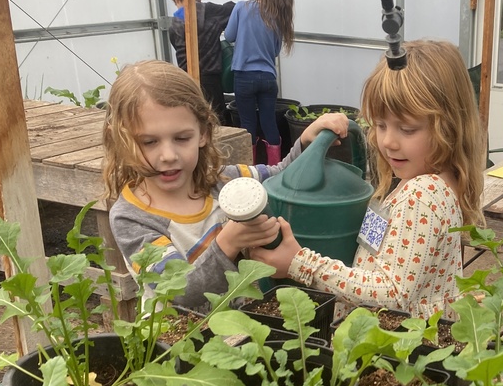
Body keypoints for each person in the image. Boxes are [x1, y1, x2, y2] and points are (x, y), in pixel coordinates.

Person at [251, 39, 486, 318]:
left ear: (450, 126)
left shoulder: (422, 194)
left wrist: (300, 263)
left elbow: (392, 295)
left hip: (400, 347)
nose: (388, 141)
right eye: (381, 124)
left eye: (407, 129)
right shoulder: (434, 181)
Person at [102, 60, 348, 311]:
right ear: (119, 140)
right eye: (149, 142)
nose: (168, 155)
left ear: (203, 133)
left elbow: (279, 177)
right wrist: (228, 244)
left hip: (239, 333)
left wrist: (306, 143)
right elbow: (178, 293)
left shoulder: (223, 182)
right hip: (178, 342)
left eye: (181, 138)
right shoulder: (132, 218)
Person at [224, 0, 295, 165]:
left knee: (248, 124)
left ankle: (250, 171)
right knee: (269, 122)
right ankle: (275, 169)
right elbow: (276, 51)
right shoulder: (278, 19)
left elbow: (229, 35)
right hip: (268, 78)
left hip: (244, 77)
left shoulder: (241, 7)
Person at [167, 0, 235, 122]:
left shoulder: (174, 26)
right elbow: (234, 10)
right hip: (212, 81)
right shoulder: (210, 12)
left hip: (187, 83)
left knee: (194, 122)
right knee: (218, 123)